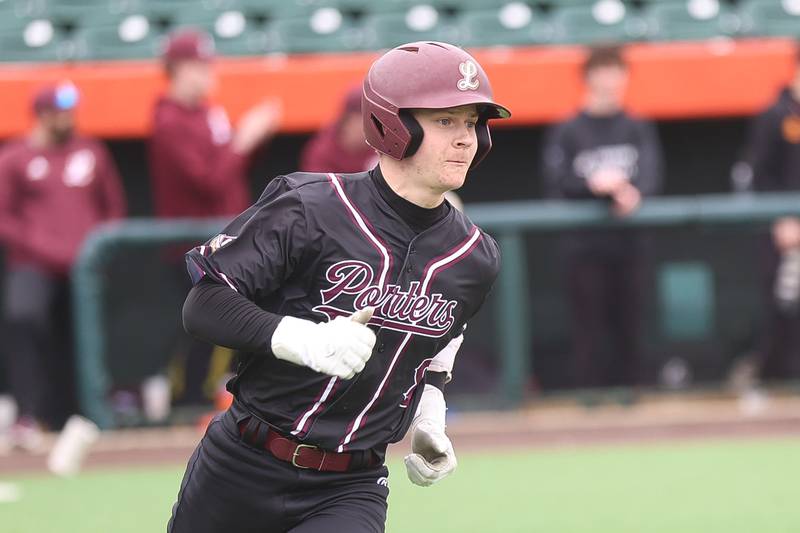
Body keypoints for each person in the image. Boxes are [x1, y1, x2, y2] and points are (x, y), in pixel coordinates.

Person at [167, 41, 510, 532]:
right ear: (394, 125)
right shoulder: (310, 205)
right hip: (242, 461)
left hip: (351, 485)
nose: (466, 138)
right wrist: (303, 339)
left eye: (473, 122)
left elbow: (437, 347)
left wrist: (429, 416)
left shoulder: (476, 257)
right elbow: (203, 304)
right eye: (445, 121)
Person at [148, 28, 282, 405]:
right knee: (201, 330)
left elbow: (230, 172)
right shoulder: (169, 119)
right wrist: (246, 136)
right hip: (190, 246)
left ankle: (209, 400)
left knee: (231, 327)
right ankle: (183, 403)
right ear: (177, 69)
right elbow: (208, 180)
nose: (208, 72)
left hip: (225, 239)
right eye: (198, 65)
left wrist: (246, 142)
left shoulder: (209, 111)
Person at [0, 82, 126, 448]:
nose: (68, 119)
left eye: (71, 111)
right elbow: (4, 217)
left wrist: (99, 247)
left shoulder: (91, 151)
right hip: (34, 263)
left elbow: (113, 207)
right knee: (25, 316)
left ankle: (88, 414)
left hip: (83, 265)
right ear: (41, 115)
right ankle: (29, 416)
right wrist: (43, 245)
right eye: (59, 112)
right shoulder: (16, 157)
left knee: (86, 334)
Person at [542, 45, 663, 394]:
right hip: (584, 247)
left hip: (630, 243)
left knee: (632, 327)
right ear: (588, 77)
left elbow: (652, 176)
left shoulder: (637, 126)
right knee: (588, 331)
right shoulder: (568, 130)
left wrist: (632, 192)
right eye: (603, 71)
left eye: (616, 71)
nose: (610, 80)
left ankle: (636, 401)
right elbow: (557, 181)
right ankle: (590, 402)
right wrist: (592, 185)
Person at [741, 43, 800, 382]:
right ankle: (773, 383)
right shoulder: (775, 115)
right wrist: (781, 218)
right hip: (781, 235)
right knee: (782, 311)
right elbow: (757, 175)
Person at [299, 86, 379, 173]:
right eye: (361, 118)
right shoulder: (324, 151)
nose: (369, 126)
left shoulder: (379, 147)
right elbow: (317, 184)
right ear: (346, 121)